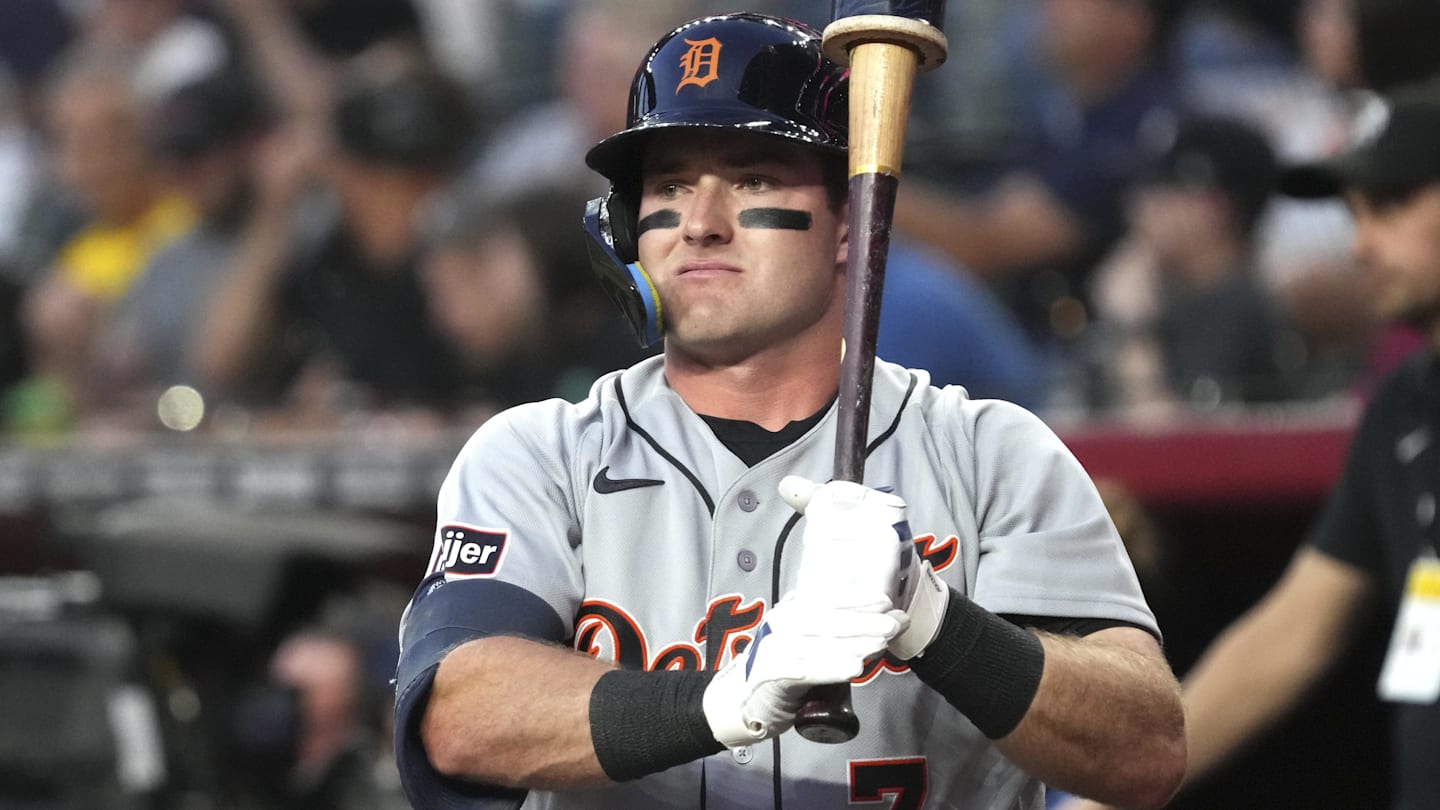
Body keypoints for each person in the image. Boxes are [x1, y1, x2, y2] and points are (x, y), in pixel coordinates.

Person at [392, 13, 1184, 810]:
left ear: (851, 223)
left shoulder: (991, 455)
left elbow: (1145, 749)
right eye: (669, 186)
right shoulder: (540, 457)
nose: (700, 221)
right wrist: (719, 701)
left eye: (753, 179)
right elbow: (459, 717)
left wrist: (936, 622)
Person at [1062, 84, 1440, 810]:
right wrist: (1110, 792)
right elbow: (1292, 630)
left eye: (1389, 209)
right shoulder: (1402, 409)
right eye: (1354, 216)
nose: (1361, 245)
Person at [1088, 113, 1296, 414]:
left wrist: (1133, 330)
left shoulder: (1236, 306)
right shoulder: (1164, 296)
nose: (1137, 206)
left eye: (1159, 191)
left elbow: (1170, 444)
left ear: (1214, 208)